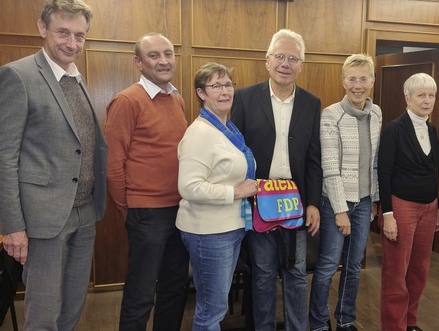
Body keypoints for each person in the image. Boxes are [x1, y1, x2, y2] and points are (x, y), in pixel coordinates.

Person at [0, 0, 106, 330]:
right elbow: (4, 156)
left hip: (85, 212)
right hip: (43, 220)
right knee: (44, 314)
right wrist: (13, 227)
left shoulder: (77, 78)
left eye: (80, 35)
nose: (72, 43)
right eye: (63, 32)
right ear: (42, 28)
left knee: (72, 306)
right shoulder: (18, 75)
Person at [230, 29, 323, 331]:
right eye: (280, 56)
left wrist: (313, 203)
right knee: (264, 272)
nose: (286, 63)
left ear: (301, 64)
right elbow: (236, 153)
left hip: (295, 201)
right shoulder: (244, 98)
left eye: (293, 58)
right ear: (267, 61)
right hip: (259, 200)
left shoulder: (311, 103)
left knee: (296, 272)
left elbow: (313, 158)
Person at [105, 33, 190, 331]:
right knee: (141, 294)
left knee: (174, 288)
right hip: (146, 213)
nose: (163, 61)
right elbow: (113, 164)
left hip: (180, 211)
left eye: (168, 53)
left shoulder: (177, 98)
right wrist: (128, 210)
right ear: (138, 63)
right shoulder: (127, 100)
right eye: (154, 55)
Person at [176, 62, 258, 331]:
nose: (225, 91)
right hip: (208, 232)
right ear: (201, 93)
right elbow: (188, 187)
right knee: (211, 310)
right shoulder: (199, 133)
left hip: (229, 227)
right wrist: (235, 192)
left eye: (228, 84)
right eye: (216, 86)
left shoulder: (227, 129)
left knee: (216, 306)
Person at [309, 54, 382, 331]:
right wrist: (340, 211)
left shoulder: (376, 113)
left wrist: (374, 200)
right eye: (352, 79)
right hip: (335, 204)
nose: (358, 85)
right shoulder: (331, 115)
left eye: (363, 79)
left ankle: (346, 319)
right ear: (343, 82)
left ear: (372, 81)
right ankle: (318, 323)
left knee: (353, 266)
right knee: (328, 266)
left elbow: (374, 162)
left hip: (364, 202)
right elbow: (330, 168)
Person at [378, 73, 439, 331]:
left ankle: (410, 322)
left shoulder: (431, 129)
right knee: (396, 273)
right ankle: (394, 326)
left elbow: (432, 172)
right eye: (421, 95)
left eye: (431, 95)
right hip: (401, 207)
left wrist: (436, 207)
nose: (427, 101)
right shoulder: (394, 129)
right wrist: (387, 214)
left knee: (419, 270)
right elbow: (383, 173)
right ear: (408, 98)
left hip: (429, 208)